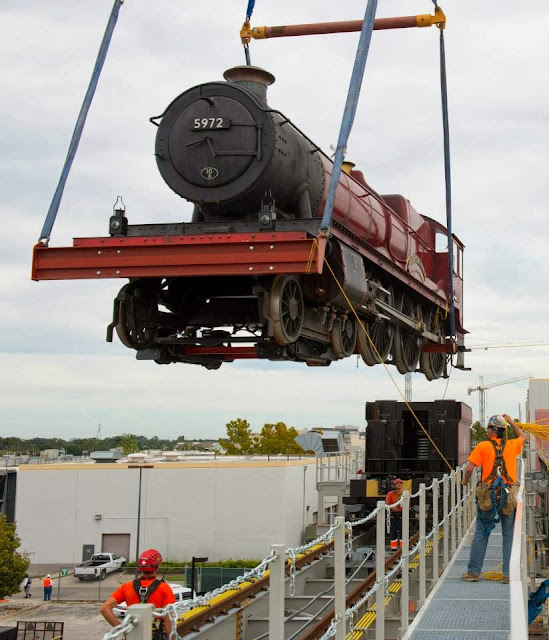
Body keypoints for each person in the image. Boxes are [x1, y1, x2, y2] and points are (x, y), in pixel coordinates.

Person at [461, 413, 526, 584]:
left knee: (482, 532)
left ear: (493, 430)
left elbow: (469, 469)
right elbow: (523, 436)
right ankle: (507, 574)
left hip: (488, 496)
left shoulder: (483, 446)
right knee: (508, 534)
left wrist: (464, 481)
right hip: (508, 495)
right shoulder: (512, 445)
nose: (487, 431)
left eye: (489, 428)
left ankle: (473, 573)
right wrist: (511, 422)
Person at [100, 549, 176, 638]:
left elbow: (104, 609)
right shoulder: (164, 588)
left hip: (133, 635)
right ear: (156, 568)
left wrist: (123, 629)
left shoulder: (127, 587)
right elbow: (168, 621)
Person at [385, 478, 404, 550]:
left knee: (403, 529)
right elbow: (387, 503)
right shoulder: (390, 494)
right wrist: (393, 508)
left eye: (400, 483)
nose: (399, 485)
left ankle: (403, 545)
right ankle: (394, 546)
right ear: (394, 485)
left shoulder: (404, 493)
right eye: (397, 483)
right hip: (393, 513)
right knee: (393, 529)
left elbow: (407, 503)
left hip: (402, 513)